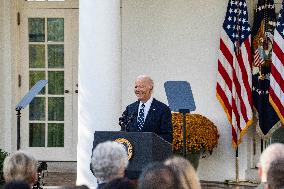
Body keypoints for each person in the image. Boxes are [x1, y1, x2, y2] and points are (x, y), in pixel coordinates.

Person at [120, 75, 172, 143]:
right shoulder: (130, 108)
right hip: (132, 152)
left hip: (153, 151)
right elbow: (123, 132)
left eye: (141, 86)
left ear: (151, 88)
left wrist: (147, 141)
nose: (138, 90)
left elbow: (167, 136)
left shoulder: (162, 109)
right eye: (136, 87)